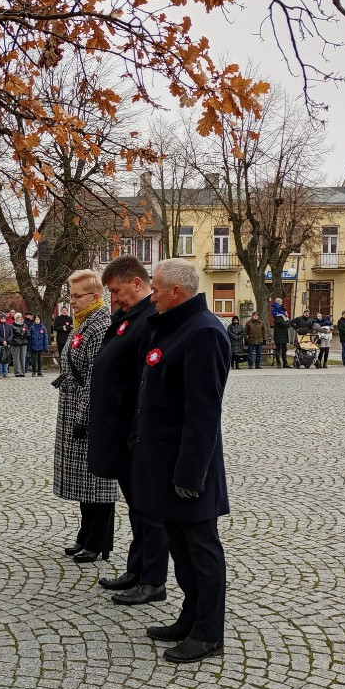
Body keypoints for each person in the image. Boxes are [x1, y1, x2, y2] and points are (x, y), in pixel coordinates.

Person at [131, 258, 230, 665]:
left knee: (201, 550)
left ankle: (209, 631)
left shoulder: (204, 332)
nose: (150, 297)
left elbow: (204, 412)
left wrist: (191, 473)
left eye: (155, 289)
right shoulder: (175, 326)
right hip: (164, 462)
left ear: (176, 291)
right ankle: (189, 616)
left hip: (190, 468)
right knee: (180, 547)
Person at [88, 255, 168, 605]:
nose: (114, 299)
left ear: (138, 283)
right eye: (111, 293)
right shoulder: (129, 317)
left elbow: (145, 381)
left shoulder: (149, 319)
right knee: (136, 508)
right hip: (119, 432)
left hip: (136, 434)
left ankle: (153, 580)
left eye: (118, 291)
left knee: (149, 511)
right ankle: (136, 570)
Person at [53, 269, 116, 564]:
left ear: (95, 296)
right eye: (71, 295)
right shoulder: (84, 322)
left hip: (87, 411)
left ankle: (98, 540)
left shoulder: (100, 324)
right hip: (74, 407)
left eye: (77, 296)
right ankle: (85, 534)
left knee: (96, 481)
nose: (72, 301)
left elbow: (94, 376)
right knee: (81, 479)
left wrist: (83, 416)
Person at [0, 314, 13, 378]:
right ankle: (0, 372)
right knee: (0, 359)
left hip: (7, 345)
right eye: (2, 318)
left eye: (4, 318)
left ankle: (5, 372)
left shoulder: (9, 326)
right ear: (0, 319)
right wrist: (2, 341)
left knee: (6, 359)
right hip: (0, 344)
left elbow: (11, 334)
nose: (3, 320)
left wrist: (7, 341)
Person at [10, 312, 29, 378]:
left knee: (22, 358)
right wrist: (18, 336)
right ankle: (17, 372)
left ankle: (22, 372)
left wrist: (25, 335)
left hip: (23, 343)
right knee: (16, 359)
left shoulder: (24, 325)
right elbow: (11, 335)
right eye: (18, 317)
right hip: (16, 343)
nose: (19, 318)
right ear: (15, 318)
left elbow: (28, 333)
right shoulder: (12, 325)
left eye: (20, 317)